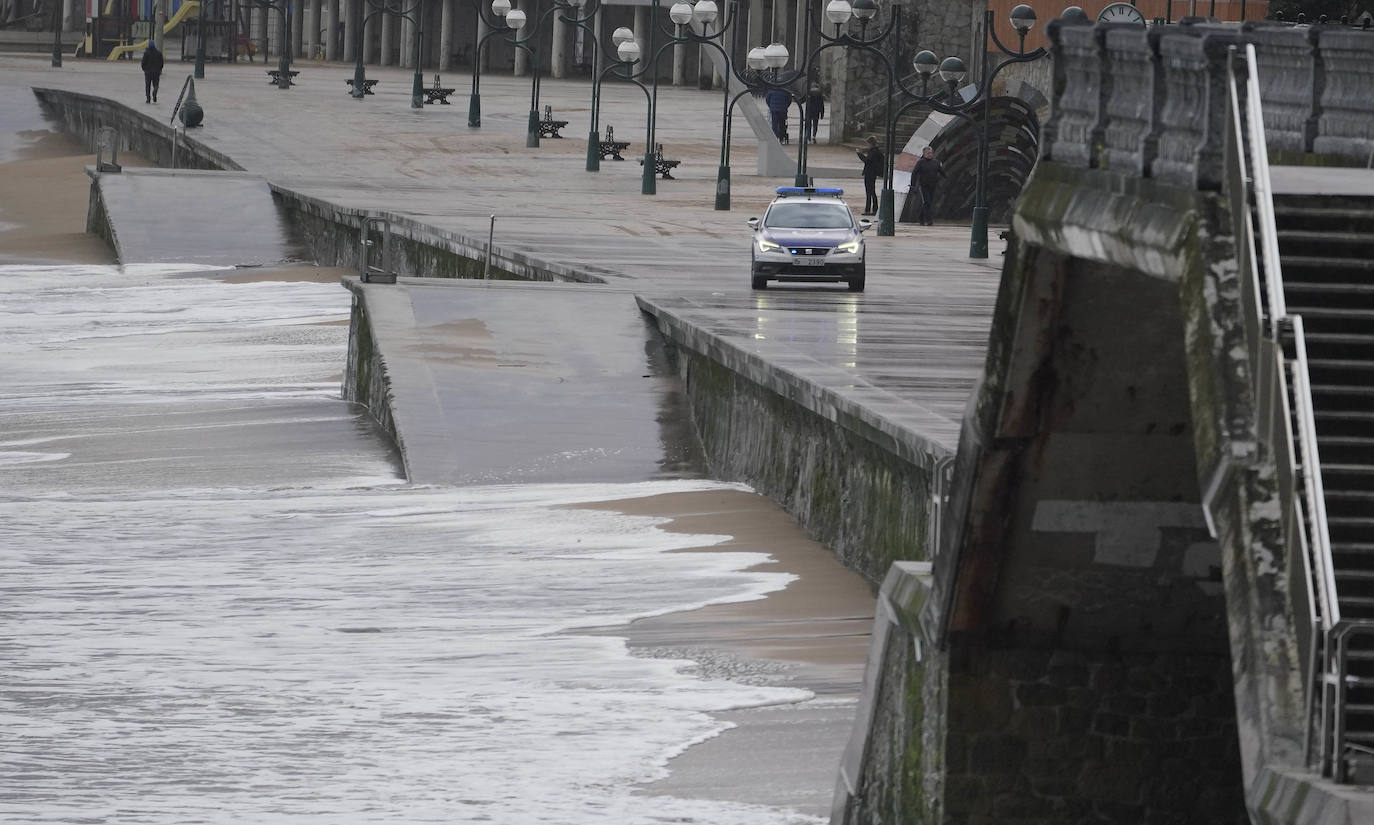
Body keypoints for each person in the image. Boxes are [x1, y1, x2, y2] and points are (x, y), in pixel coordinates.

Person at [910, 145, 947, 226]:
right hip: (923, 185)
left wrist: (946, 177)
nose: (930, 154)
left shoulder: (936, 162)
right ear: (924, 154)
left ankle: (921, 217)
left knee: (929, 202)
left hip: (933, 185)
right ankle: (929, 220)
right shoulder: (921, 162)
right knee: (927, 202)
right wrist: (913, 185)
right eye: (928, 153)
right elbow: (914, 173)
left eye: (931, 153)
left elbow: (941, 171)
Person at [856, 135, 884, 216]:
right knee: (871, 192)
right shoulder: (875, 151)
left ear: (871, 144)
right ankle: (873, 209)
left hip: (870, 174)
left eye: (868, 144)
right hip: (872, 173)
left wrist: (859, 154)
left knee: (870, 192)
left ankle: (869, 209)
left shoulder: (873, 152)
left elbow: (867, 161)